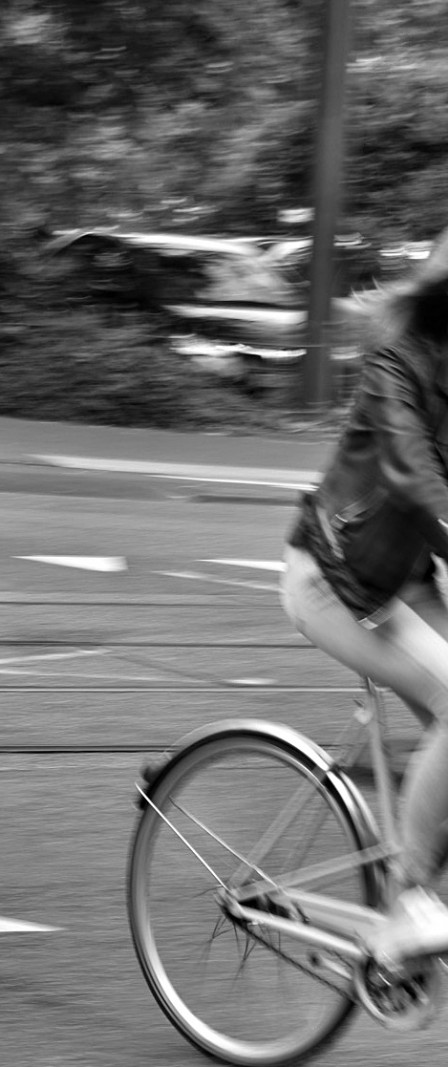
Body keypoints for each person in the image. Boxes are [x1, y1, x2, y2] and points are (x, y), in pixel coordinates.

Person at [281, 228, 448, 967]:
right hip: (337, 580)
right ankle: (410, 901)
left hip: (404, 579)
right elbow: (416, 475)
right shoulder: (397, 365)